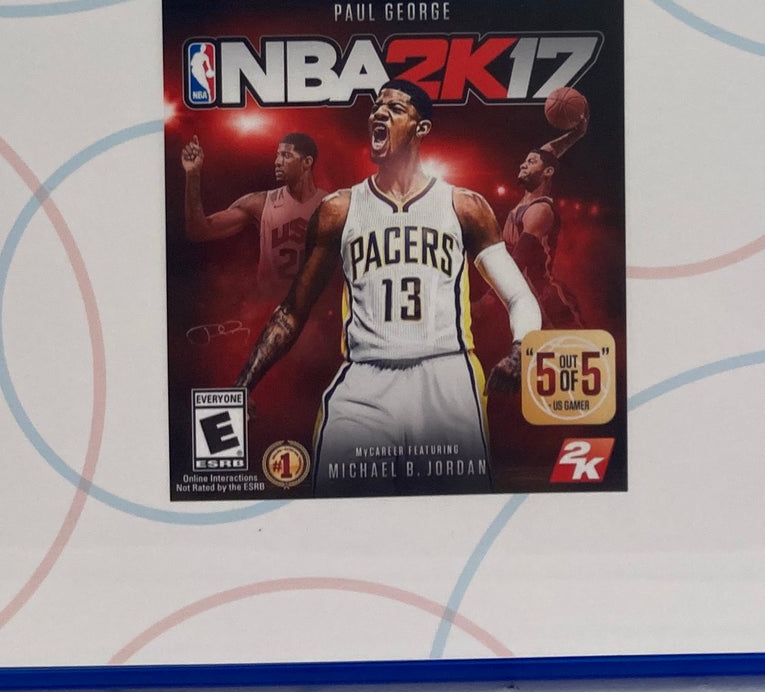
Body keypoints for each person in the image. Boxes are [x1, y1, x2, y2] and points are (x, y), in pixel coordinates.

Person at [235, 80, 541, 495]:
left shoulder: (464, 206)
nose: (379, 112)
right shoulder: (338, 210)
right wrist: (243, 384)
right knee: (338, 512)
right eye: (376, 106)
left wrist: (522, 349)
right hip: (364, 379)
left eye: (395, 109)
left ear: (421, 128)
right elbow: (293, 309)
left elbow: (519, 295)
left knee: (456, 517)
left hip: (446, 377)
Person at [181, 130, 320, 297]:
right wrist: (193, 174)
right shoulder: (259, 203)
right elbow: (199, 231)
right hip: (269, 306)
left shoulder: (332, 206)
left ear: (307, 162)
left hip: (318, 307)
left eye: (286, 155)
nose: (277, 162)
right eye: (277, 155)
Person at [500, 102, 590, 331]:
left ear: (548, 172)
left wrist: (485, 303)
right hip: (527, 301)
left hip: (550, 302)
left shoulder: (539, 210)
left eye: (531, 162)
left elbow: (517, 264)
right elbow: (547, 153)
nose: (523, 164)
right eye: (524, 160)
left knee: (576, 349)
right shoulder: (522, 205)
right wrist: (577, 133)